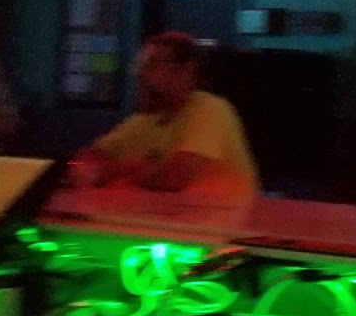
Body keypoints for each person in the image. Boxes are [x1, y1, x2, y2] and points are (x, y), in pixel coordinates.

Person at [72, 33, 259, 200]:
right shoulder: (144, 120)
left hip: (221, 225)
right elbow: (82, 160)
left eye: (150, 65)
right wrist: (84, 168)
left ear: (185, 72)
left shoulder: (212, 109)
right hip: (164, 222)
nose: (139, 74)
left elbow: (172, 178)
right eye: (138, 66)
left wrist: (114, 170)